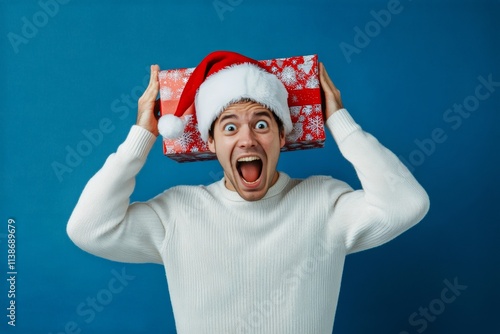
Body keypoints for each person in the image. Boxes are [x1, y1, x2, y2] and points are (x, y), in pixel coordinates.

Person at [67, 50, 430, 333]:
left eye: (261, 123)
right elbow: (88, 228)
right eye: (229, 127)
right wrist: (141, 136)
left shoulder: (325, 203)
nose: (246, 139)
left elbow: (406, 204)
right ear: (210, 142)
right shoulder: (177, 212)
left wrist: (339, 121)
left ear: (282, 135)